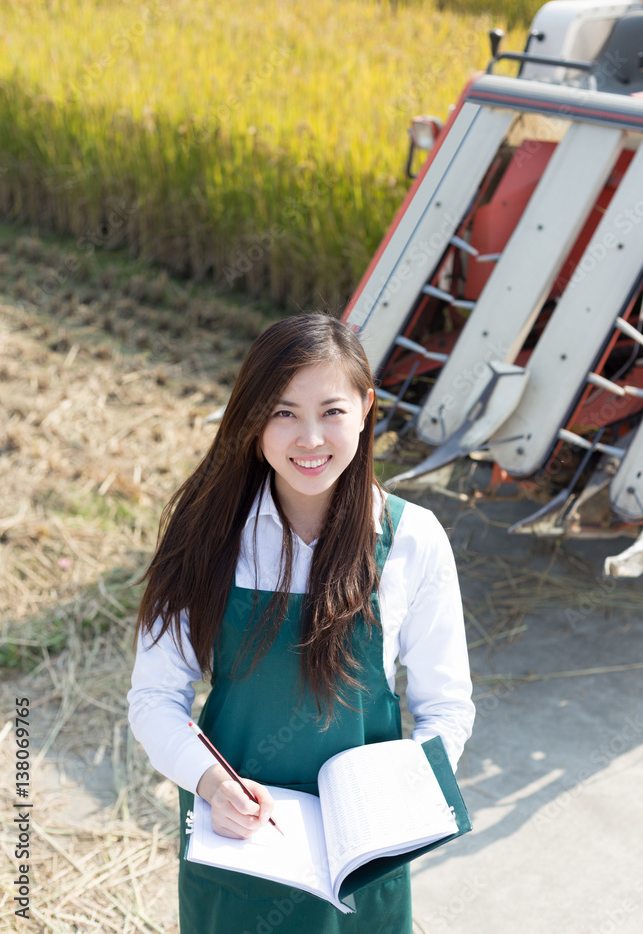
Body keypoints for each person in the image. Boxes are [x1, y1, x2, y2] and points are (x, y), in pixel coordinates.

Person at [127, 312, 475, 934]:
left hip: (366, 854)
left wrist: (394, 802)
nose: (309, 438)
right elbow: (155, 696)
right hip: (240, 840)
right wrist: (211, 785)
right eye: (284, 412)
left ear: (368, 408)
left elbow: (447, 707)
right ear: (253, 417)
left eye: (332, 411)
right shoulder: (209, 534)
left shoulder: (412, 539)